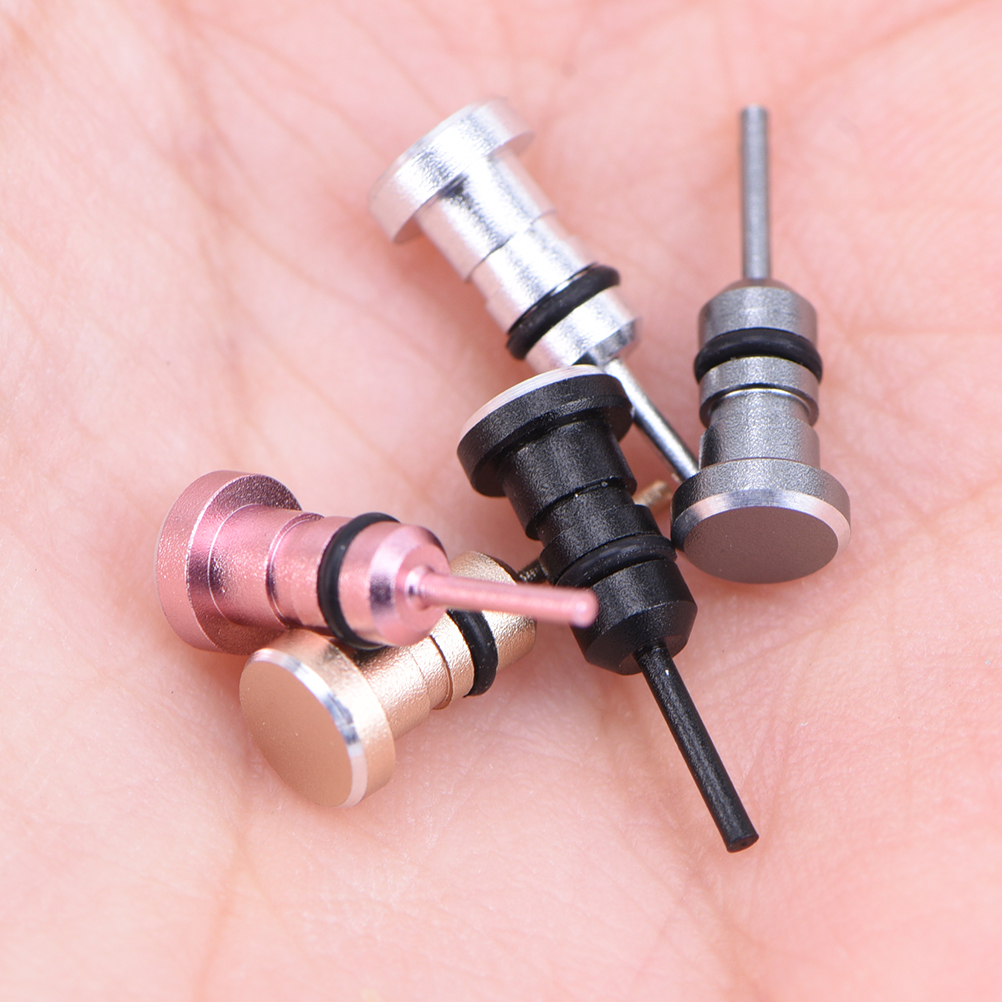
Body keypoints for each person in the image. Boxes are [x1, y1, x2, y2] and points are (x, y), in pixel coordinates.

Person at [1, 2, 998, 998]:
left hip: (580, 510)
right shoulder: (485, 573)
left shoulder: (577, 554)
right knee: (494, 574)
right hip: (519, 534)